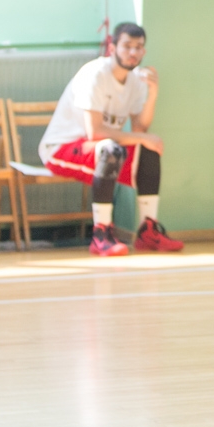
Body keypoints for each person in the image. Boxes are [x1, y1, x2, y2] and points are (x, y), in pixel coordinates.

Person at [40, 22, 183, 256]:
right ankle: (101, 234)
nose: (133, 52)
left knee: (149, 149)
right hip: (61, 149)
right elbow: (94, 132)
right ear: (112, 47)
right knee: (111, 149)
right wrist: (141, 136)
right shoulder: (95, 74)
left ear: (144, 51)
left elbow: (140, 128)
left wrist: (153, 94)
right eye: (127, 46)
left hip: (99, 148)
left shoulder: (136, 80)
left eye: (138, 47)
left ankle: (148, 230)